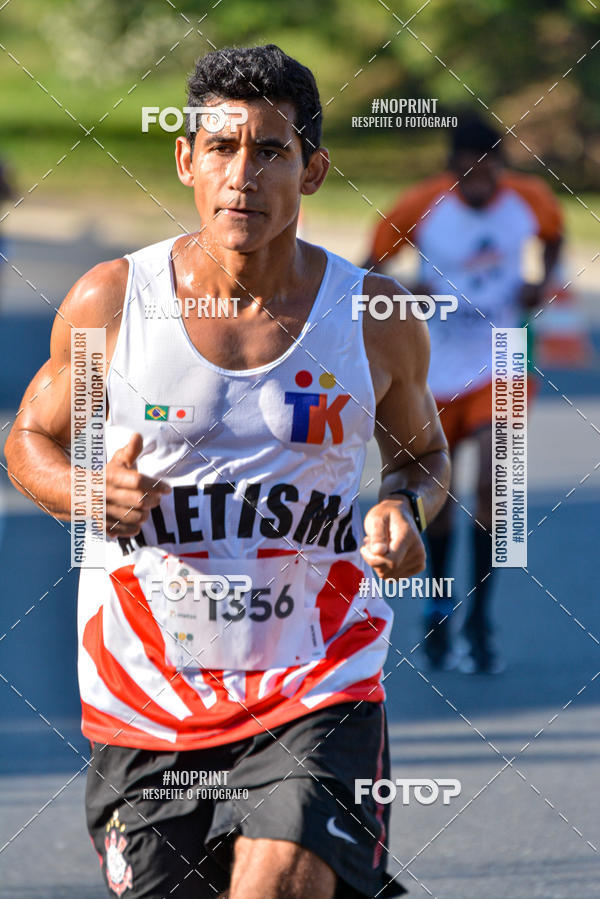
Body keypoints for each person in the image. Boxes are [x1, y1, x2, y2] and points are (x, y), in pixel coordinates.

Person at [5, 45, 450, 899]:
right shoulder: (113, 301)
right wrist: (86, 491)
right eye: (220, 148)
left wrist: (403, 506)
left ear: (313, 170)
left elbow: (423, 455)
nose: (242, 174)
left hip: (316, 675)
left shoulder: (374, 317)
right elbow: (30, 438)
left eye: (271, 151)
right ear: (186, 160)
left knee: (279, 881)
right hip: (146, 695)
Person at [363, 114, 563, 674]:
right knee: (442, 504)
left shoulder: (531, 199)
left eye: (489, 172)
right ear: (450, 169)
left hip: (501, 357)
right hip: (433, 365)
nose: (478, 182)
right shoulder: (419, 204)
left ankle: (481, 622)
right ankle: (440, 608)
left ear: (503, 167)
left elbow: (554, 238)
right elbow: (368, 267)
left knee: (494, 491)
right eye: (466, 172)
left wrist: (539, 284)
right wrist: (404, 291)